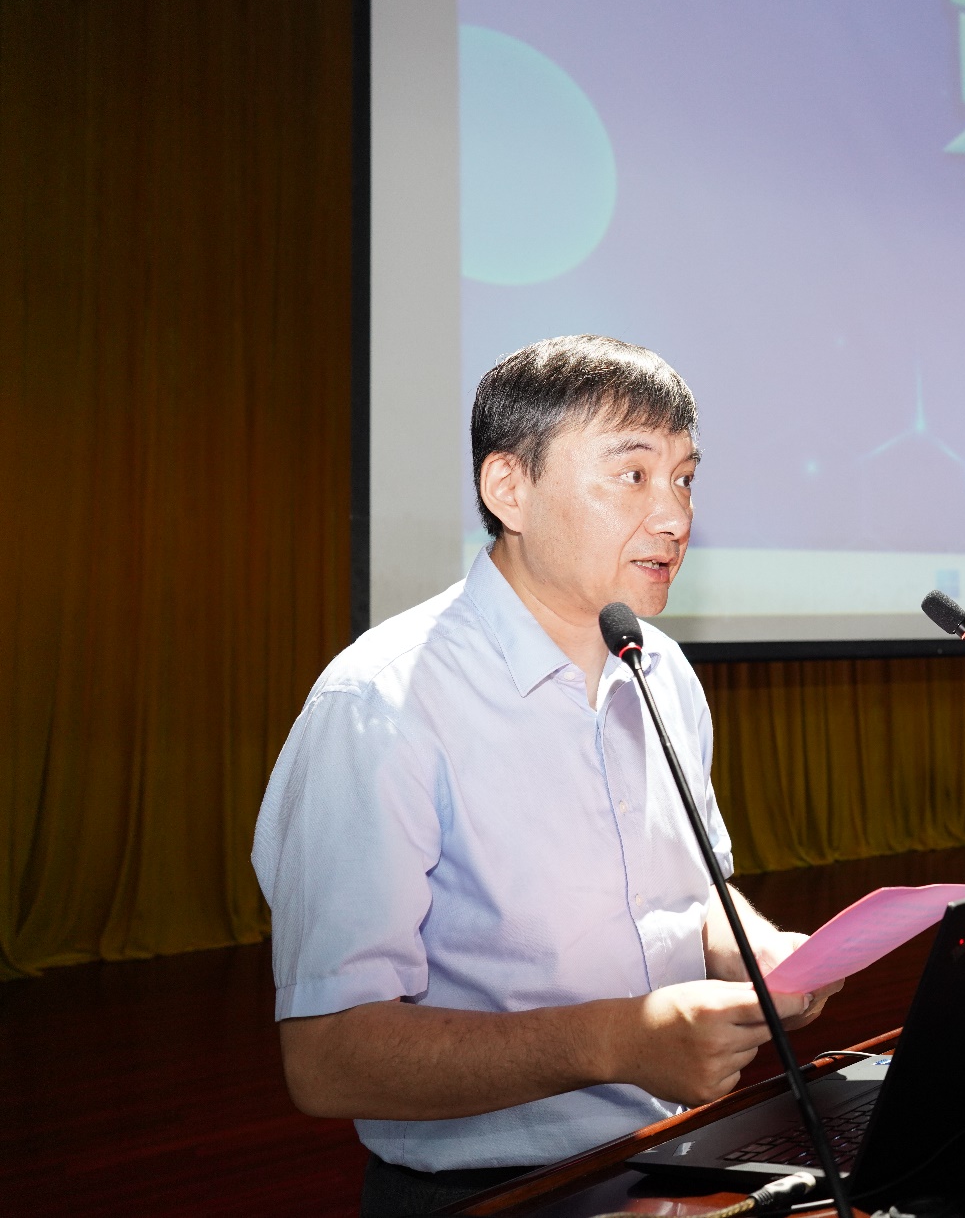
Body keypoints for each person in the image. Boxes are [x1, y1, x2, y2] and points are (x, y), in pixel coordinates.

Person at [251, 335, 841, 1217]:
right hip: (487, 1192)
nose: (674, 516)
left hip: (678, 1157)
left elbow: (693, 894)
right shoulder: (382, 702)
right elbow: (327, 1058)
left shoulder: (662, 668)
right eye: (632, 474)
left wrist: (753, 950)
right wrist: (615, 1040)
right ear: (509, 488)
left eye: (684, 478)